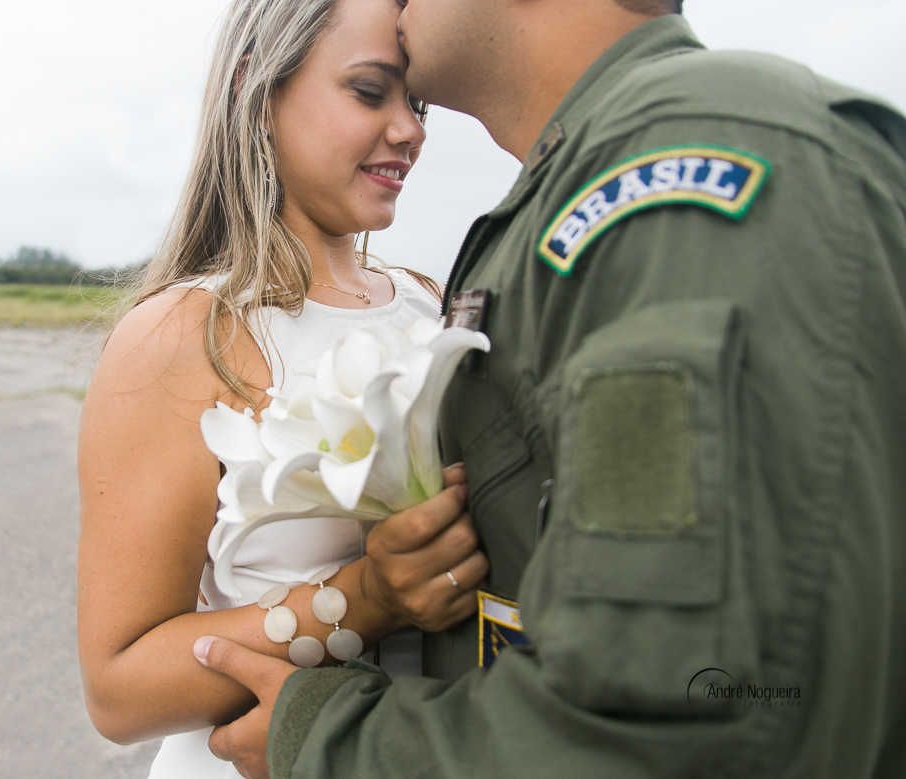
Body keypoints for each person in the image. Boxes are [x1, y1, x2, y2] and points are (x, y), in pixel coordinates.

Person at [195, 0, 906, 777]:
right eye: (368, 91)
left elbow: (684, 711)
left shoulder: (678, 168)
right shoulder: (590, 185)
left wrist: (328, 736)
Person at [76, 0, 491, 777]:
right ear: (256, 92)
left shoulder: (434, 305)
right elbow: (119, 689)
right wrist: (368, 599)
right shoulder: (183, 334)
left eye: (418, 102)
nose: (411, 129)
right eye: (370, 91)